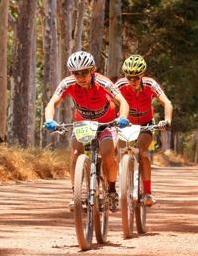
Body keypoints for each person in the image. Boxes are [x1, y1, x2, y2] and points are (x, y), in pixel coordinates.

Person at [44, 51, 130, 211]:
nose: (80, 77)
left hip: (107, 123)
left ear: (92, 70)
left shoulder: (103, 83)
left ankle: (111, 189)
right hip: (83, 124)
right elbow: (52, 103)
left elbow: (122, 101)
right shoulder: (67, 83)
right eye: (76, 73)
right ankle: (75, 194)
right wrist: (49, 119)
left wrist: (123, 117)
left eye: (84, 72)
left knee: (107, 154)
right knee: (76, 153)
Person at [115, 54, 173, 206]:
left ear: (142, 75)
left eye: (136, 77)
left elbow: (167, 102)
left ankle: (147, 192)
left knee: (142, 151)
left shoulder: (150, 84)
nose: (132, 81)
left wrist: (167, 120)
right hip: (126, 125)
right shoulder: (120, 85)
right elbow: (109, 102)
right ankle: (119, 185)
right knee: (119, 151)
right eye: (129, 77)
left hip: (146, 124)